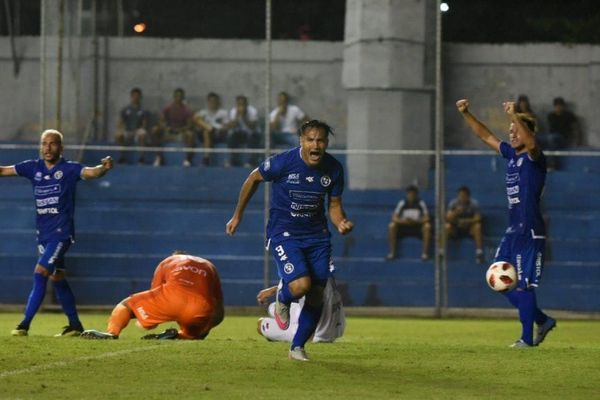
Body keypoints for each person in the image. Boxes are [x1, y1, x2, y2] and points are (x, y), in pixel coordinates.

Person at [226, 119, 353, 361]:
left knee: (316, 294)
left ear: (326, 143)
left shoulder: (334, 169)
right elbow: (253, 178)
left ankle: (297, 347)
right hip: (285, 234)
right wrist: (237, 215)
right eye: (311, 139)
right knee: (300, 286)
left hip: (318, 237)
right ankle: (283, 296)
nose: (316, 144)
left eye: (321, 140)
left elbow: (334, 207)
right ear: (302, 141)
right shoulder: (283, 162)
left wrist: (340, 223)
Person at [456, 98, 557, 348]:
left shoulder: (535, 157)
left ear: (527, 132)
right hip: (513, 231)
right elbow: (485, 135)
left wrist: (514, 115)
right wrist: (467, 113)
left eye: (515, 130)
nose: (511, 134)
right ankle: (542, 320)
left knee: (523, 287)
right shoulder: (511, 155)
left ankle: (526, 339)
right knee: (498, 279)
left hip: (530, 231)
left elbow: (531, 142)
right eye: (510, 131)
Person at [1, 129, 114, 337]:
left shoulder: (69, 169)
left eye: (52, 144)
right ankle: (75, 325)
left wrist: (103, 168)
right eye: (44, 144)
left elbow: (91, 172)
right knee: (58, 278)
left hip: (61, 234)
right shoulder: (31, 167)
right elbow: (3, 171)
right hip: (43, 235)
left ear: (61, 148)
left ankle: (24, 325)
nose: (47, 148)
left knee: (40, 273)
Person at [80, 252, 224, 340]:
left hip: (171, 299)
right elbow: (218, 311)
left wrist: (151, 319)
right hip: (199, 308)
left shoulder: (168, 261)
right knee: (193, 334)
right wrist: (205, 329)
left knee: (127, 304)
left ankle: (112, 333)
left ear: (174, 255)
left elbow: (155, 291)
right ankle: (182, 336)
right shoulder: (210, 266)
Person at [256, 276, 345, 343]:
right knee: (272, 308)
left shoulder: (303, 270)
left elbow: (299, 286)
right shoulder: (322, 267)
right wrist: (273, 290)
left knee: (260, 324)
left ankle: (278, 333)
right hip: (336, 327)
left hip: (317, 333)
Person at [386, 185, 432, 261]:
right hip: (404, 227)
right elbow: (394, 217)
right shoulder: (402, 203)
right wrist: (404, 222)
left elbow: (427, 218)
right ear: (406, 194)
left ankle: (425, 254)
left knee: (427, 226)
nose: (411, 196)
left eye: (413, 194)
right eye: (409, 194)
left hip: (417, 226)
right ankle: (392, 253)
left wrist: (416, 221)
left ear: (416, 195)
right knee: (391, 226)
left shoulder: (421, 203)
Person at [152, 88, 195, 167]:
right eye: (177, 96)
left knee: (190, 135)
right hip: (168, 132)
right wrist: (166, 127)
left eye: (181, 96)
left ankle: (187, 160)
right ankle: (159, 157)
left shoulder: (187, 110)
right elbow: (161, 121)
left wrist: (181, 129)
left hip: (180, 133)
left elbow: (190, 125)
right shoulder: (167, 109)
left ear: (183, 97)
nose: (179, 98)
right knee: (155, 130)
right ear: (174, 97)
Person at [446, 186, 485, 264]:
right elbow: (448, 217)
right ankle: (443, 252)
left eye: (464, 196)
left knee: (478, 226)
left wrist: (466, 221)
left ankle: (479, 253)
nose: (462, 198)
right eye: (460, 196)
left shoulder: (474, 204)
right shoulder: (453, 204)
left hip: (469, 228)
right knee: (447, 227)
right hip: (456, 228)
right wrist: (455, 212)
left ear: (468, 196)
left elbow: (478, 218)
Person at [194, 92, 230, 166]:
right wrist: (208, 126)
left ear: (218, 102)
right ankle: (206, 158)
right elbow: (195, 119)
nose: (212, 103)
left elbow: (226, 126)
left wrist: (220, 127)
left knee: (207, 131)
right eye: (211, 101)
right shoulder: (204, 112)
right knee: (204, 128)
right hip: (205, 133)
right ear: (208, 102)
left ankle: (206, 157)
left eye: (214, 101)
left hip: (218, 134)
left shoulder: (223, 113)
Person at [226, 95, 261, 167]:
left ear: (246, 104)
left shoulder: (252, 111)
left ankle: (251, 161)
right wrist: (237, 116)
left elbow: (252, 127)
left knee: (253, 138)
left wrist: (244, 117)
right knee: (232, 137)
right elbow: (232, 126)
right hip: (240, 133)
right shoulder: (234, 111)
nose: (241, 106)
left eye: (243, 104)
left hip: (252, 133)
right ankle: (233, 159)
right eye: (239, 104)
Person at [115, 87, 148, 164]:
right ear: (131, 96)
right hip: (127, 130)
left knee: (143, 134)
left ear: (140, 97)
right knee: (119, 135)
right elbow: (121, 122)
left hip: (138, 131)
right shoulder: (125, 109)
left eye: (138, 96)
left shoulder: (143, 110)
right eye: (134, 96)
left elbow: (144, 124)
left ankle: (141, 158)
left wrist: (139, 130)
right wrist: (121, 129)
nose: (136, 98)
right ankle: (122, 157)